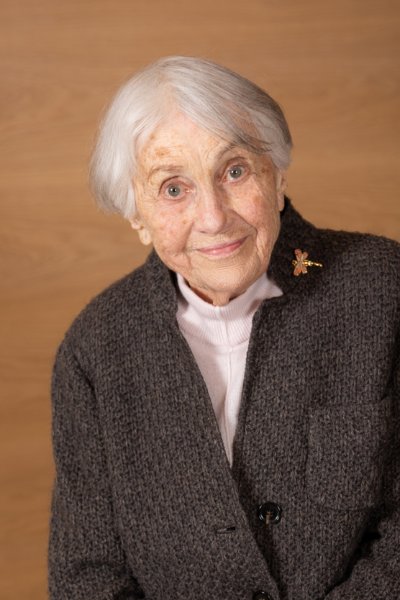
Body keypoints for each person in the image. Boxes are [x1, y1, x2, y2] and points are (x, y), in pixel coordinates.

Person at [48, 56, 400, 600]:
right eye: (173, 189)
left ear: (277, 175)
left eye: (234, 171)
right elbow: (85, 575)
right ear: (137, 215)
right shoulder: (95, 348)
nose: (213, 217)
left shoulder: (383, 287)